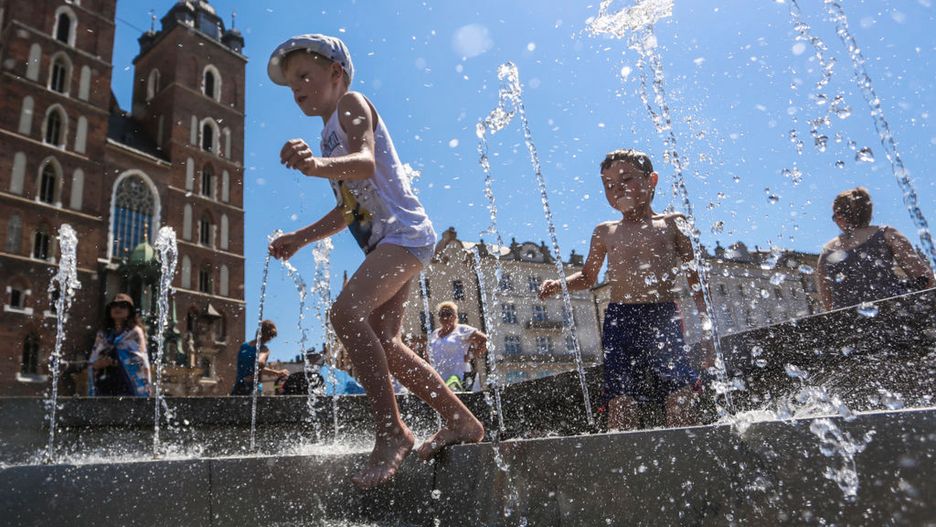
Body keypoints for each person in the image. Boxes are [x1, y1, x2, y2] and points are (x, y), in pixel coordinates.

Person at [265, 34, 484, 488]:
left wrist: (315, 166)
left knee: (345, 314)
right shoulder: (327, 136)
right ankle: (460, 420)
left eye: (304, 76)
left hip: (403, 235)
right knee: (386, 342)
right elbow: (349, 208)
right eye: (290, 84)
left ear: (336, 73)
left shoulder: (351, 105)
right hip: (391, 241)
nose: (297, 88)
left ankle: (391, 432)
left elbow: (364, 163)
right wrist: (300, 238)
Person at [539, 149, 714, 431]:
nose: (617, 189)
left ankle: (687, 444)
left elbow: (696, 281)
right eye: (608, 185)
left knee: (678, 392)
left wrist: (708, 334)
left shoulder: (672, 224)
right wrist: (559, 284)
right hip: (620, 319)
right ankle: (624, 447)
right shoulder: (605, 232)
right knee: (620, 397)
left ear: (651, 180)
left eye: (626, 179)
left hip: (663, 315)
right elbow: (588, 277)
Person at [816, 187, 934, 311]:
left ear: (840, 216)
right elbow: (925, 278)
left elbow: (828, 304)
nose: (836, 221)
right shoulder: (887, 234)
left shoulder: (827, 251)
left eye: (835, 216)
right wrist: (901, 293)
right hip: (891, 314)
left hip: (847, 321)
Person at [88, 293, 151, 397]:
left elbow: (140, 360)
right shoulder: (103, 334)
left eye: (123, 306)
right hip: (105, 385)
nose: (118, 308)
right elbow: (93, 361)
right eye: (114, 306)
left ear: (130, 311)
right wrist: (99, 364)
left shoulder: (135, 332)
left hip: (129, 387)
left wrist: (117, 361)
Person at [428, 302, 488, 392]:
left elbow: (484, 341)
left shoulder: (461, 330)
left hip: (458, 376)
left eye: (448, 314)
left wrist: (471, 355)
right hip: (439, 378)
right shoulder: (434, 334)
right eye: (442, 314)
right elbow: (428, 354)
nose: (445, 317)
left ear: (455, 316)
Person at [231, 320, 289, 396]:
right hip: (253, 388)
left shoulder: (244, 346)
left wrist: (277, 373)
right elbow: (260, 363)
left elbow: (252, 365)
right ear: (269, 336)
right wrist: (253, 376)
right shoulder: (264, 349)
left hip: (238, 386)